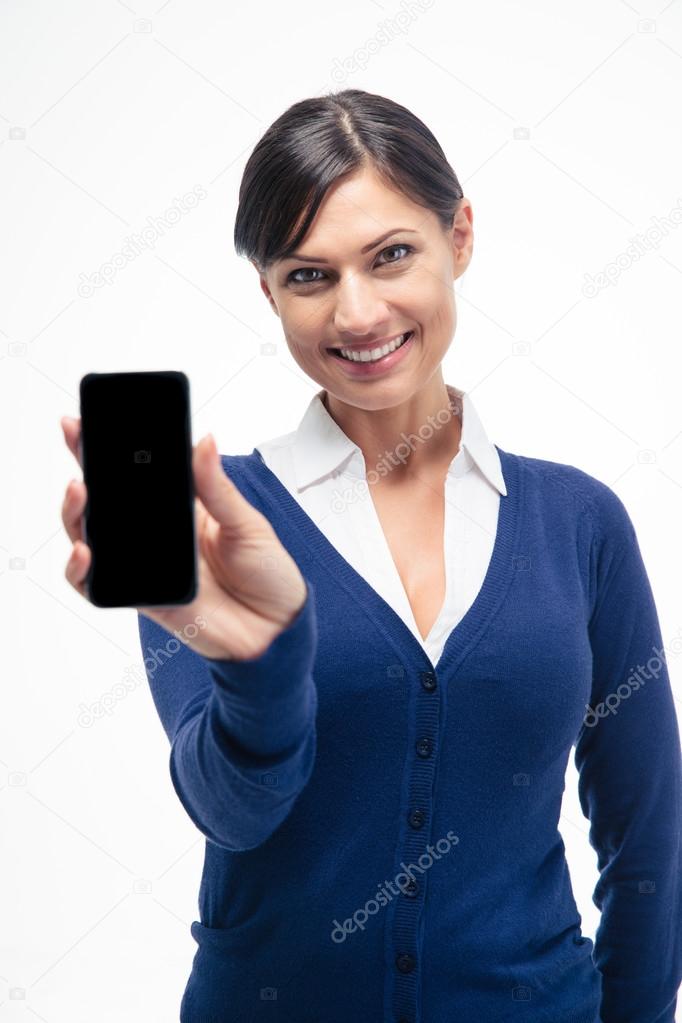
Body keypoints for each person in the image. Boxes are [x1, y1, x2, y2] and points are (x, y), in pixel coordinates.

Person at [60, 89, 682, 1023]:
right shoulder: (219, 526)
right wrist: (262, 665)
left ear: (459, 236)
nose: (357, 312)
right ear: (268, 291)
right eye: (309, 276)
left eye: (392, 255)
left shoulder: (579, 521)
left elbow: (648, 831)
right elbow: (233, 811)